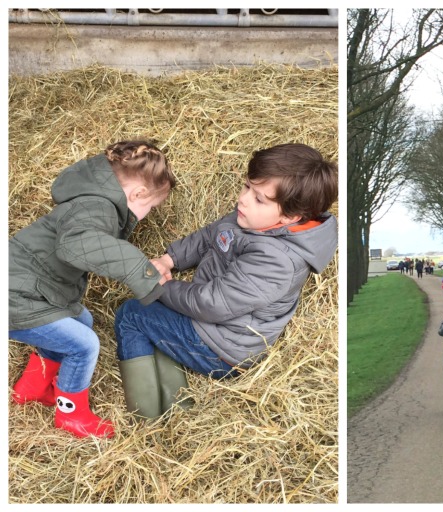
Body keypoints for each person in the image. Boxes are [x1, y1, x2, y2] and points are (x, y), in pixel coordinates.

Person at [113, 143, 339, 419]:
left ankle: (145, 416)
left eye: (259, 198)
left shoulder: (278, 261)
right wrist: (169, 260)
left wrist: (158, 285)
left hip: (223, 350)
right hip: (212, 324)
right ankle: (173, 401)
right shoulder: (255, 220)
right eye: (247, 187)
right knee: (156, 319)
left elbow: (211, 304)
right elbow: (212, 234)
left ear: (290, 217)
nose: (243, 200)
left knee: (132, 314)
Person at [9, 140, 176, 438]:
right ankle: (71, 415)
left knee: (81, 321)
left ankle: (32, 388)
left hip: (29, 286)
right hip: (15, 295)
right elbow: (76, 246)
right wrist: (141, 270)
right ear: (138, 194)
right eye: (150, 207)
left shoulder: (92, 199)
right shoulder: (97, 207)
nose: (147, 215)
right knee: (84, 344)